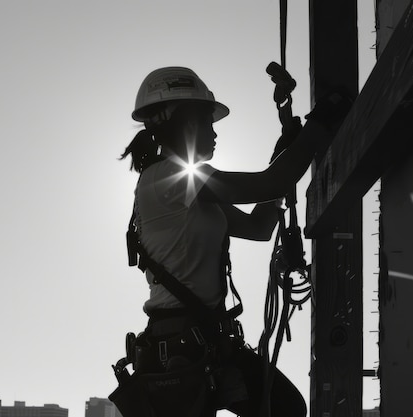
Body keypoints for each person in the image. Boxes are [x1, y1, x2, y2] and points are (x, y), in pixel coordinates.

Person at [117, 66, 331, 417]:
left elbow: (259, 226)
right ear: (186, 123)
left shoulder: (188, 192)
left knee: (286, 408)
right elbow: (270, 185)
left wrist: (285, 150)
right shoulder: (169, 178)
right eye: (208, 122)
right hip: (184, 343)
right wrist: (319, 126)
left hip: (205, 341)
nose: (215, 133)